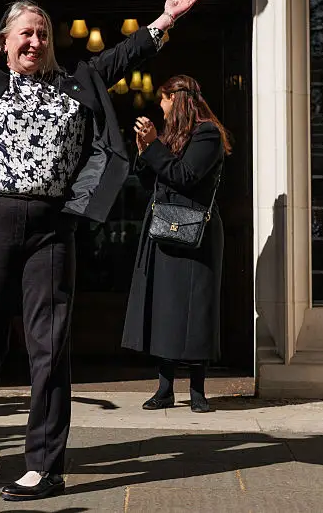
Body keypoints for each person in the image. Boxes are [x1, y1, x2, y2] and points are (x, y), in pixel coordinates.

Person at [0, 0, 201, 501]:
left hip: (52, 226)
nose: (36, 42)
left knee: (49, 344)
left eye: (44, 34)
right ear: (4, 41)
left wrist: (164, 22)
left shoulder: (78, 81)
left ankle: (44, 464)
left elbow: (123, 56)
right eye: (26, 34)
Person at [121, 75, 231, 413]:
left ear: (177, 99)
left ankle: (198, 390)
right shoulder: (171, 136)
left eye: (164, 101)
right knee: (165, 310)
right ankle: (165, 388)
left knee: (195, 310)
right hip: (165, 229)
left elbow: (184, 176)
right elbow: (153, 181)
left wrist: (155, 146)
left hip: (195, 234)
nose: (162, 108)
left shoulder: (208, 134)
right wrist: (144, 150)